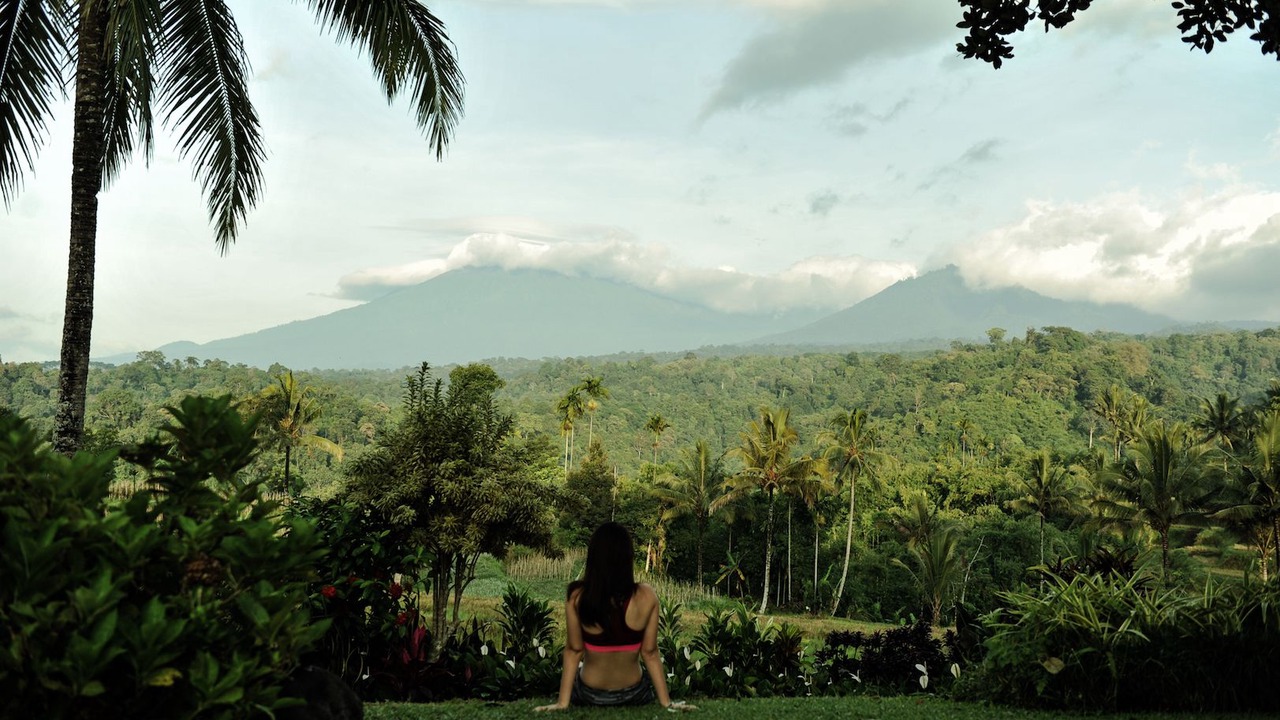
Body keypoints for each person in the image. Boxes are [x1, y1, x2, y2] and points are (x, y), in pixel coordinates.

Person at [534, 522, 695, 712]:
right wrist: (667, 703)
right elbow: (650, 652)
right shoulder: (647, 595)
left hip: (590, 693)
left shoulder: (577, 596)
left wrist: (562, 704)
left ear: (593, 557)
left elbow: (574, 650)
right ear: (628, 557)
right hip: (633, 693)